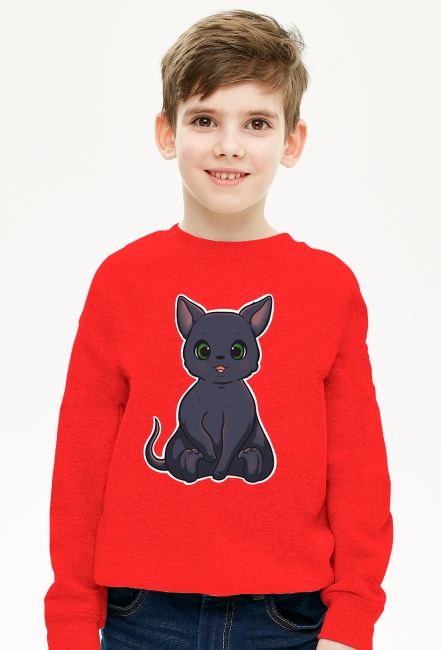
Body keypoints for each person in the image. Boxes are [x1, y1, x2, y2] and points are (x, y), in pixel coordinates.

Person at [44, 10, 393, 650]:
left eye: (256, 123)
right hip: (140, 616)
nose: (229, 145)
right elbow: (81, 466)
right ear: (167, 132)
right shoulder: (123, 280)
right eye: (205, 119)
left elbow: (358, 469)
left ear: (292, 142)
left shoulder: (328, 287)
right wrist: (70, 621)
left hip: (288, 620)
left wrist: (353, 619)